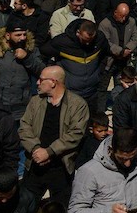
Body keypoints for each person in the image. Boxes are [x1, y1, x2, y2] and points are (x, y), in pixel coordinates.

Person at [20, 65, 89, 204]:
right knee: (26, 206)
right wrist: (36, 149)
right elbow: (24, 127)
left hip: (60, 168)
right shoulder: (35, 101)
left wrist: (49, 152)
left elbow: (76, 134)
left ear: (53, 82)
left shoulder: (77, 104)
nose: (37, 83)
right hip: (35, 164)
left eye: (41, 80)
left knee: (60, 209)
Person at [0, 18, 44, 122]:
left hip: (21, 104)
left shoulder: (31, 50)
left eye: (24, 34)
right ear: (8, 36)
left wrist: (27, 58)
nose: (22, 38)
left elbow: (42, 71)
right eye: (18, 35)